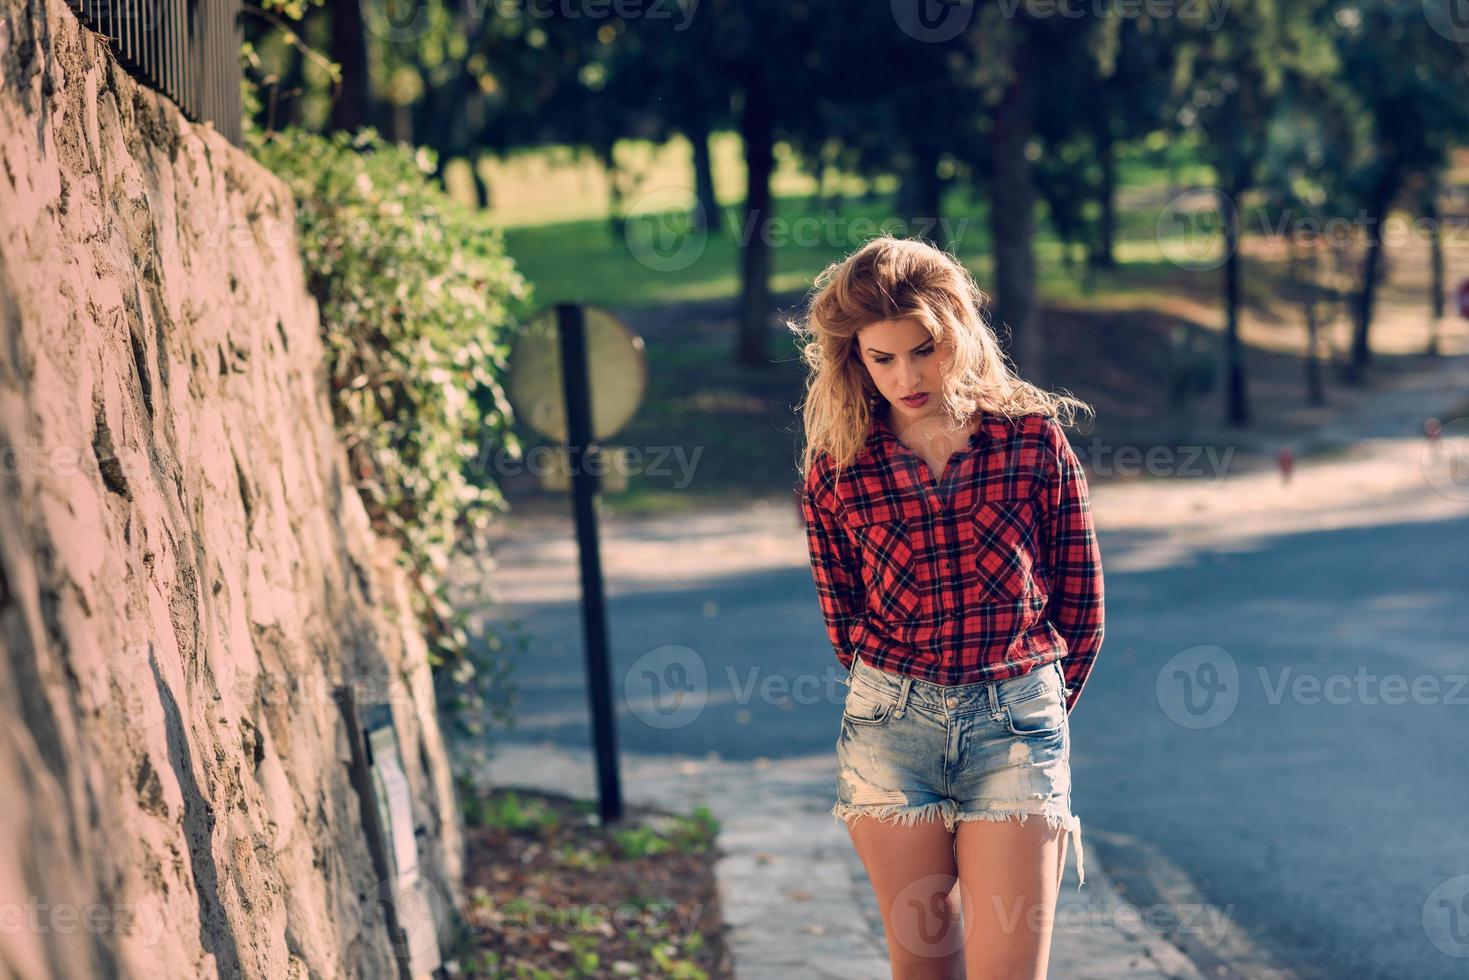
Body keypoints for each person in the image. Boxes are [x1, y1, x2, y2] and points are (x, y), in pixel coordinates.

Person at [791, 235, 1105, 979]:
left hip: (1016, 727)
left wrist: (1032, 707)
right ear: (855, 359)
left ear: (956, 333)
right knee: (923, 967)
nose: (906, 375)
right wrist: (904, 692)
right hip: (889, 731)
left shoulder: (1029, 440)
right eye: (883, 358)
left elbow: (1081, 604)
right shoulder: (838, 467)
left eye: (923, 349)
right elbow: (844, 623)